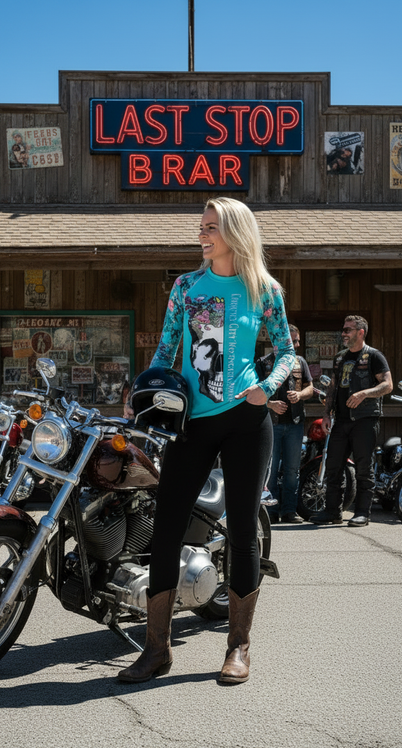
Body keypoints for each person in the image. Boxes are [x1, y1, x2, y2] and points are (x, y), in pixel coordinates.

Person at [118, 197, 295, 685]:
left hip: (246, 419)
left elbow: (286, 352)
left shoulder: (265, 289)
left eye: (211, 227)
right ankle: (157, 650)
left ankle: (238, 646)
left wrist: (268, 387)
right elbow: (167, 347)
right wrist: (144, 391)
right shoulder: (187, 286)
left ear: (235, 231)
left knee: (242, 530)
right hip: (190, 423)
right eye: (201, 227)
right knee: (166, 529)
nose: (202, 235)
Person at [311, 315, 393, 527]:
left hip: (365, 419)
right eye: (344, 329)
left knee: (364, 467)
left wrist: (364, 393)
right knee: (333, 466)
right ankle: (332, 512)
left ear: (361, 332)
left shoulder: (374, 356)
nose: (344, 333)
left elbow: (387, 385)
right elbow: (332, 388)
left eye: (348, 330)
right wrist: (327, 414)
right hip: (341, 420)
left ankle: (362, 513)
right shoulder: (340, 358)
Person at [257, 324, 313, 524]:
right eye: (294, 340)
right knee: (269, 470)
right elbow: (253, 392)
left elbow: (310, 388)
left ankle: (289, 511)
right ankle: (270, 512)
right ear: (280, 341)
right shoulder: (264, 363)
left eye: (297, 340)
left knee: (292, 469)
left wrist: (299, 394)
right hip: (271, 423)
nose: (297, 344)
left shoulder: (300, 362)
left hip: (295, 423)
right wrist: (270, 404)